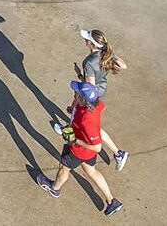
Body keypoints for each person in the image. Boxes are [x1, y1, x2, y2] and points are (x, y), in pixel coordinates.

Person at [35, 81, 123, 216]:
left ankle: (54, 188)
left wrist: (75, 140)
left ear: (82, 99)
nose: (74, 92)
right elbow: (101, 108)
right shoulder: (96, 104)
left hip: (77, 151)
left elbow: (97, 147)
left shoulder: (87, 121)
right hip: (87, 153)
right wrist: (74, 110)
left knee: (64, 168)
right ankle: (112, 201)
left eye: (77, 92)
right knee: (91, 171)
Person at [66, 28, 130, 170]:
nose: (85, 40)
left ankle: (118, 153)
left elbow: (90, 88)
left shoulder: (89, 62)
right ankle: (118, 153)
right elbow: (124, 65)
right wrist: (110, 54)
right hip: (102, 90)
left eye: (87, 39)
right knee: (94, 125)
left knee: (88, 121)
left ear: (91, 44)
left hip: (93, 96)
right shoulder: (105, 54)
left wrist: (79, 76)